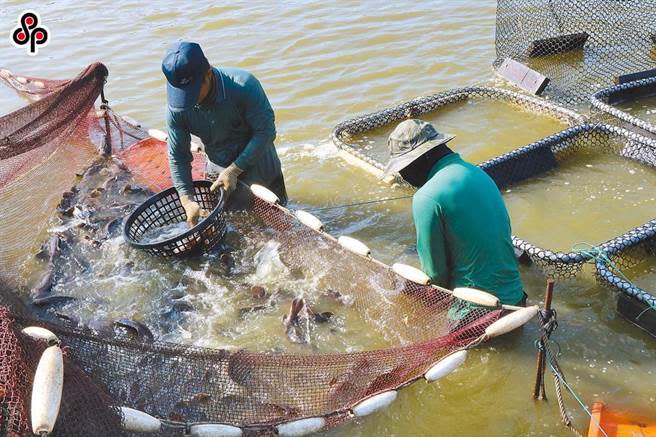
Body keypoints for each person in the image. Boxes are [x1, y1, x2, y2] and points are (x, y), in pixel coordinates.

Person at [383, 119, 526, 310]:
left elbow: (435, 276)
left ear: (422, 158)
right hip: (516, 299)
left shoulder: (425, 197)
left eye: (403, 168)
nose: (404, 175)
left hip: (475, 310)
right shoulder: (477, 172)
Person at [162, 41, 287, 225]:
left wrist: (234, 170)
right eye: (182, 95)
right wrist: (187, 199)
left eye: (193, 93)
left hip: (262, 173)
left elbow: (266, 132)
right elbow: (178, 155)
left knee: (275, 229)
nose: (188, 101)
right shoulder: (177, 108)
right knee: (231, 229)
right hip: (218, 177)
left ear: (208, 74)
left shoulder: (244, 85)